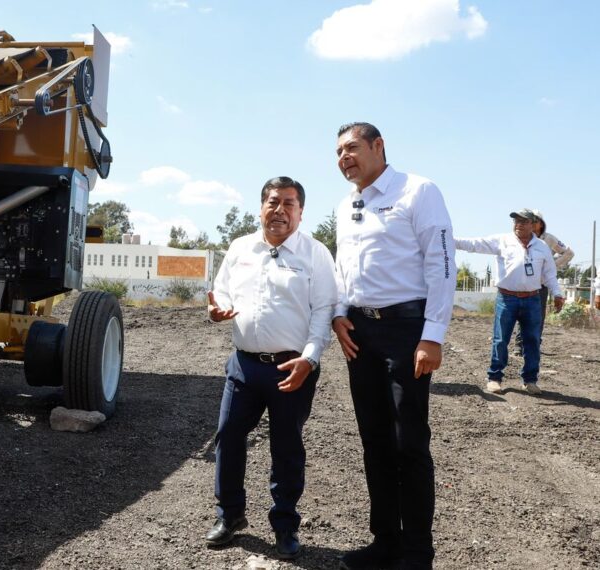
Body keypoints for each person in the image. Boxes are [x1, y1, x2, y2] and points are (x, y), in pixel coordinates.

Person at [331, 122, 456, 570]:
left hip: (407, 332)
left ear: (378, 146)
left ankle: (417, 553)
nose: (344, 157)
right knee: (375, 442)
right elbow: (345, 268)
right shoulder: (347, 205)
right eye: (338, 152)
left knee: (409, 444)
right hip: (360, 335)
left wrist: (432, 334)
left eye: (352, 148)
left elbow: (441, 263)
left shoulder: (418, 191)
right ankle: (385, 543)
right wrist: (339, 312)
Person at [203, 177, 337, 560]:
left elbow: (323, 311)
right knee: (228, 438)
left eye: (289, 204)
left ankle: (284, 526)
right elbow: (223, 289)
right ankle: (229, 516)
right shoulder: (241, 247)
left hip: (291, 368)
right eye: (273, 202)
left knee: (286, 448)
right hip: (243, 365)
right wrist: (218, 308)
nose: (280, 210)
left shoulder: (315, 253)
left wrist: (309, 360)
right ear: (261, 207)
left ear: (300, 212)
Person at [455, 209, 564, 395]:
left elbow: (550, 275)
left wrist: (557, 294)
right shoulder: (503, 241)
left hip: (532, 300)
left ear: (533, 224)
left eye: (523, 221)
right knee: (500, 340)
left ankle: (530, 380)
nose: (518, 224)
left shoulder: (542, 247)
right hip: (506, 299)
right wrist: (449, 239)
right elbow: (475, 244)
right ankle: (494, 378)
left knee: (532, 340)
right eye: (515, 221)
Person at [515, 209, 573, 352]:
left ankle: (534, 345)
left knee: (538, 317)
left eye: (533, 221)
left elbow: (569, 253)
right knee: (521, 315)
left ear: (540, 223)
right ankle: (519, 345)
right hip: (524, 283)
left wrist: (553, 265)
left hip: (541, 285)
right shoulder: (520, 238)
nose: (529, 224)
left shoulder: (549, 239)